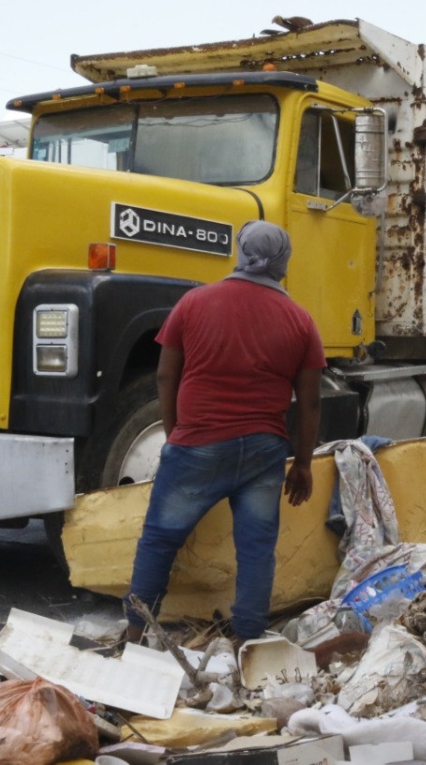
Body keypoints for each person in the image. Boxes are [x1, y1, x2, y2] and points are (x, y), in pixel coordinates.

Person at [125, 220, 325, 644]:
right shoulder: (301, 321)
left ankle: (136, 629)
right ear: (284, 261)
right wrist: (303, 464)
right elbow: (309, 402)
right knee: (255, 548)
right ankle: (247, 638)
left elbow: (166, 377)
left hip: (198, 442)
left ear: (240, 252)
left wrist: (175, 433)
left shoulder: (194, 303)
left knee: (161, 537)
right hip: (263, 450)